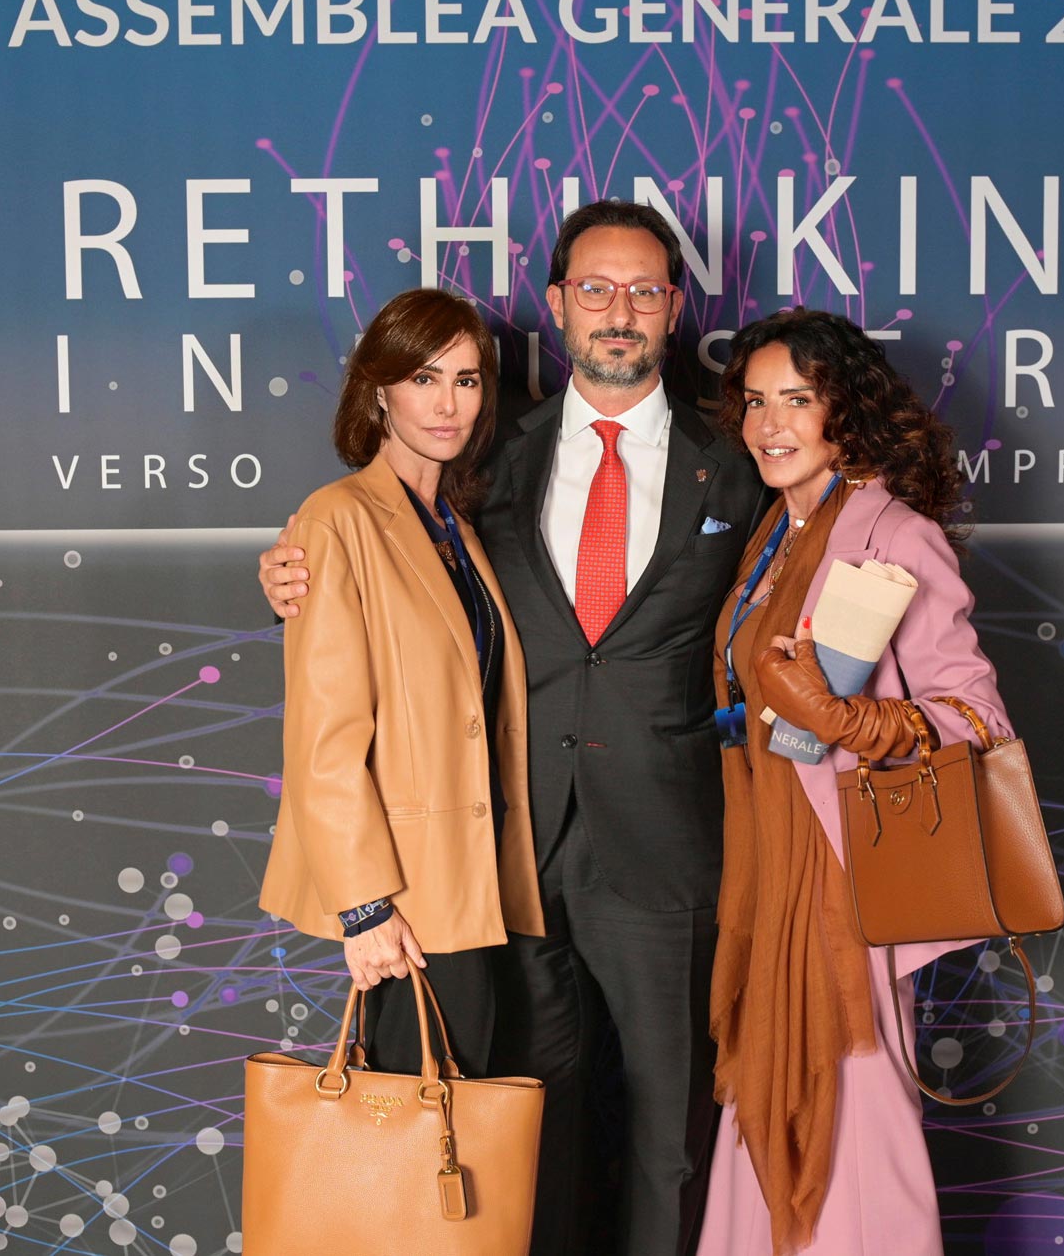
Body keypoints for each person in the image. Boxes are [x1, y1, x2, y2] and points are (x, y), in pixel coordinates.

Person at [263, 201, 767, 1256]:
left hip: (665, 842)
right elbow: (374, 568)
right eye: (596, 288)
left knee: (668, 1133)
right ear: (557, 303)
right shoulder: (489, 451)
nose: (619, 311)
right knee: (518, 1124)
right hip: (499, 857)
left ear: (675, 306)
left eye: (643, 290)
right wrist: (285, 579)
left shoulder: (738, 459)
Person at [696, 308, 1012, 1256]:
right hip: (765, 867)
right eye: (756, 402)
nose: (769, 424)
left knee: (855, 1122)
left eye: (797, 399)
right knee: (767, 1112)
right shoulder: (776, 533)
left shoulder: (894, 533)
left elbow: (979, 717)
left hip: (842, 880)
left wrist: (849, 722)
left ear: (847, 413)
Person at [257, 287, 545, 1079]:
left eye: (466, 379)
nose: (448, 404)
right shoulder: (336, 519)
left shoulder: (456, 526)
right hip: (409, 894)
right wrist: (365, 908)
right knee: (421, 1127)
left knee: (468, 1114)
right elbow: (323, 743)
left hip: (474, 877)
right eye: (424, 378)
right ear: (379, 390)